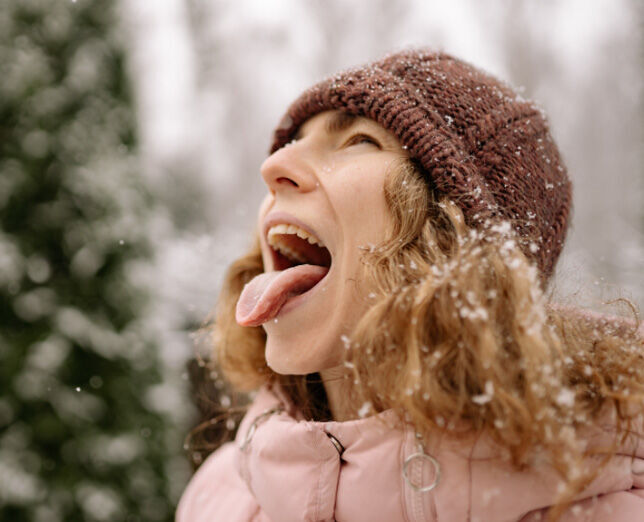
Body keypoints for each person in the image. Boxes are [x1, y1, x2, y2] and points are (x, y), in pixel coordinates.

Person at [176, 49, 644, 521]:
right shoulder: (219, 498)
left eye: (359, 140)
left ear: (456, 237)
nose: (274, 166)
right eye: (292, 141)